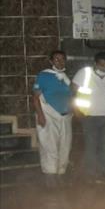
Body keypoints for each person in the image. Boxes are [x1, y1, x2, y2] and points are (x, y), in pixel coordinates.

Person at [72, 51, 105, 182]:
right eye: (101, 65)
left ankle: (102, 174)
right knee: (91, 146)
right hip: (89, 116)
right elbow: (72, 91)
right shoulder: (84, 73)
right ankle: (90, 175)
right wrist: (76, 110)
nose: (104, 68)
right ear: (95, 63)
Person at [31, 49, 73, 187]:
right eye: (56, 59)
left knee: (65, 146)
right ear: (51, 61)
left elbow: (70, 97)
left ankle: (61, 174)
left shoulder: (66, 78)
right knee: (50, 146)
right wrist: (41, 116)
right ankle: (50, 177)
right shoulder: (44, 76)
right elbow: (36, 97)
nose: (60, 62)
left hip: (65, 116)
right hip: (49, 114)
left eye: (62, 59)